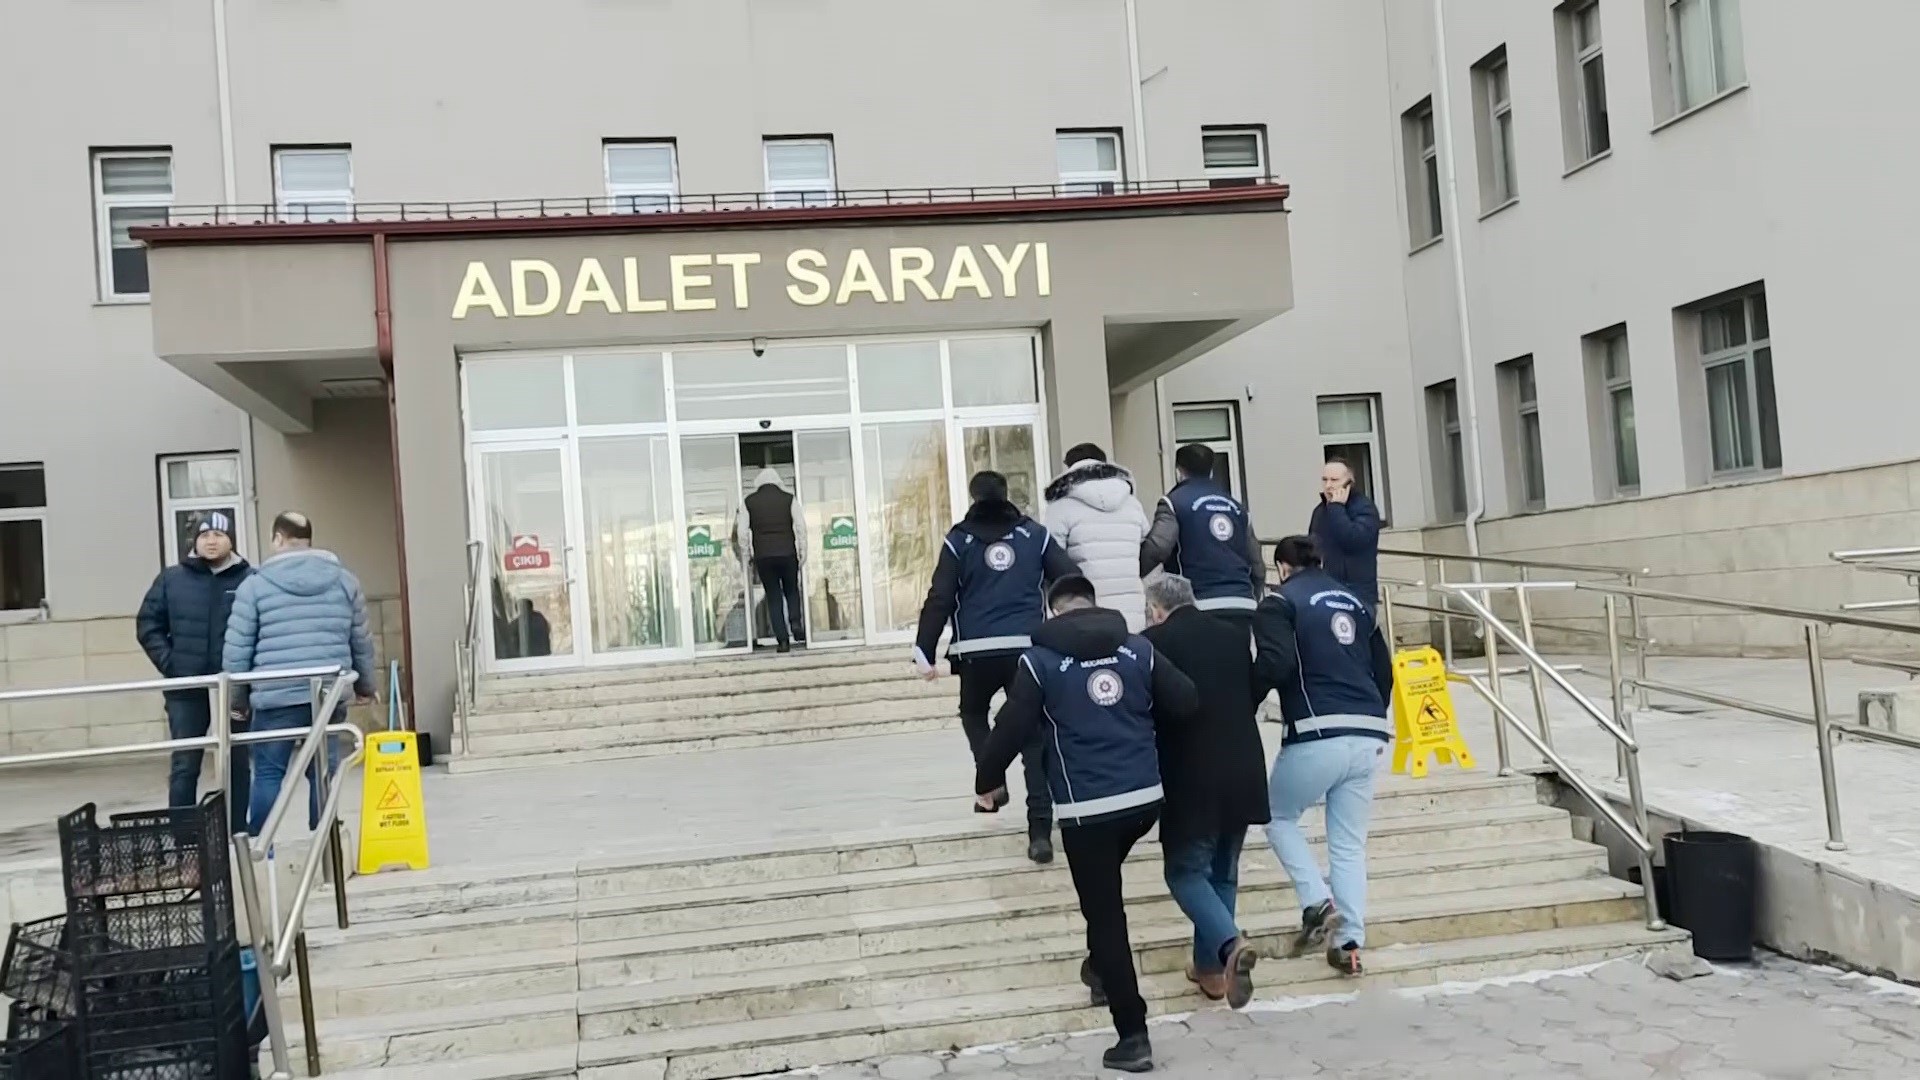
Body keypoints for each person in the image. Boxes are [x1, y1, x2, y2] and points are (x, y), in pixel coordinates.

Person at [975, 575, 1198, 1073]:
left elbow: (1010, 727)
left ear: (1053, 613)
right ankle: (1100, 969)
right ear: (1093, 606)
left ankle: (1133, 1035)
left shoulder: (1039, 662)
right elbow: (1185, 700)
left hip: (1087, 809)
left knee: (1105, 915)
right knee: (1104, 895)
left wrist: (986, 781)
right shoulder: (1137, 649)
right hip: (1144, 800)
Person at [914, 470, 1077, 863]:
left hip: (976, 650)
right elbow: (1071, 578)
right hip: (1027, 649)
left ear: (973, 497)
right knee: (1034, 739)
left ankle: (992, 782)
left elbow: (940, 596)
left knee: (973, 713)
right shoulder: (1034, 535)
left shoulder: (959, 540)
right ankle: (1040, 834)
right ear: (1006, 495)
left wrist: (924, 648)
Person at [1251, 535, 1394, 977]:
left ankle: (1317, 901)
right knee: (1348, 844)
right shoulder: (1358, 604)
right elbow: (1384, 670)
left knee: (1277, 815)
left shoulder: (1280, 602)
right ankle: (1349, 944)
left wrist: (1245, 701)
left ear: (1282, 567)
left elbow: (1275, 663)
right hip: (1368, 731)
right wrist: (1372, 711)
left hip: (1317, 729)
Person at [1140, 574, 1270, 1009]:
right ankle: (1211, 971)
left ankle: (1230, 943)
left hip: (1190, 774)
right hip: (1244, 768)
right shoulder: (1233, 636)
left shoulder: (1152, 644)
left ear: (1156, 609)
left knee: (1184, 872)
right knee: (1222, 873)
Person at [224, 512, 377, 836]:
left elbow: (237, 650)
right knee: (323, 768)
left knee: (268, 773)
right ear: (308, 539)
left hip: (274, 695)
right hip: (328, 693)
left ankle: (261, 846)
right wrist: (365, 685)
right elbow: (361, 641)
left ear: (278, 538)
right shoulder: (345, 581)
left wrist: (237, 701)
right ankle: (323, 841)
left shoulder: (254, 586)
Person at [135, 511, 253, 831]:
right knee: (185, 766)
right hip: (186, 690)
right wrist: (171, 664)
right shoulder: (172, 579)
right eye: (204, 535)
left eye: (218, 535)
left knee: (237, 762)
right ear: (194, 542)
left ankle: (236, 832)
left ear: (231, 540)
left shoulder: (249, 580)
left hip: (234, 689)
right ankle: (184, 837)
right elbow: (148, 625)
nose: (211, 541)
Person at [1140, 443, 1265, 633]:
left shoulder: (1174, 502)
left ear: (1178, 472)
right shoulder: (1238, 508)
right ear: (1211, 471)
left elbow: (1158, 548)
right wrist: (1252, 595)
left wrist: (1132, 573)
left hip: (1197, 604)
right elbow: (1257, 564)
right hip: (1242, 604)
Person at [1041, 443, 1152, 632]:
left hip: (1085, 610)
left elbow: (1051, 557)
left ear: (1069, 467)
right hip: (1132, 608)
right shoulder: (1132, 503)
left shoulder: (1060, 507)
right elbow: (1145, 543)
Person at [736, 467, 809, 652]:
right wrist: (803, 551)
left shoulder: (748, 502)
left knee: (774, 597)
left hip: (764, 557)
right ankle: (795, 623)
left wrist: (747, 556)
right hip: (787, 554)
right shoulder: (789, 499)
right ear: (777, 481)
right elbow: (801, 527)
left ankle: (783, 641)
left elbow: (742, 533)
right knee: (792, 590)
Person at [1308, 457, 1382, 611]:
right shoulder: (1320, 511)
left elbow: (1352, 540)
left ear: (1349, 483)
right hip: (1326, 589)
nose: (1328, 486)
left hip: (1357, 593)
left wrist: (1336, 508)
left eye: (1334, 480)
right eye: (1325, 480)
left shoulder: (1365, 509)